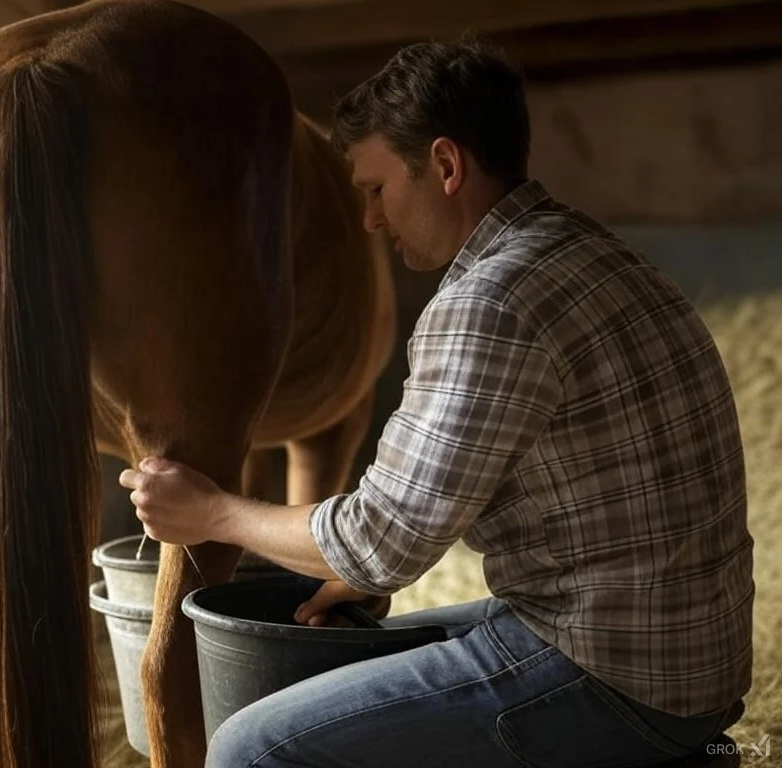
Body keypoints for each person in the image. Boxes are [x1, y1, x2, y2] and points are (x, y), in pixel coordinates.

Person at [118, 37, 754, 768]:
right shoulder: (599, 255)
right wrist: (355, 575)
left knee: (252, 746)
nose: (369, 220)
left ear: (447, 167)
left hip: (611, 678)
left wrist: (211, 512)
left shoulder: (490, 301)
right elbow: (430, 513)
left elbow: (381, 541)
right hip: (678, 658)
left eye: (376, 189)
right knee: (347, 661)